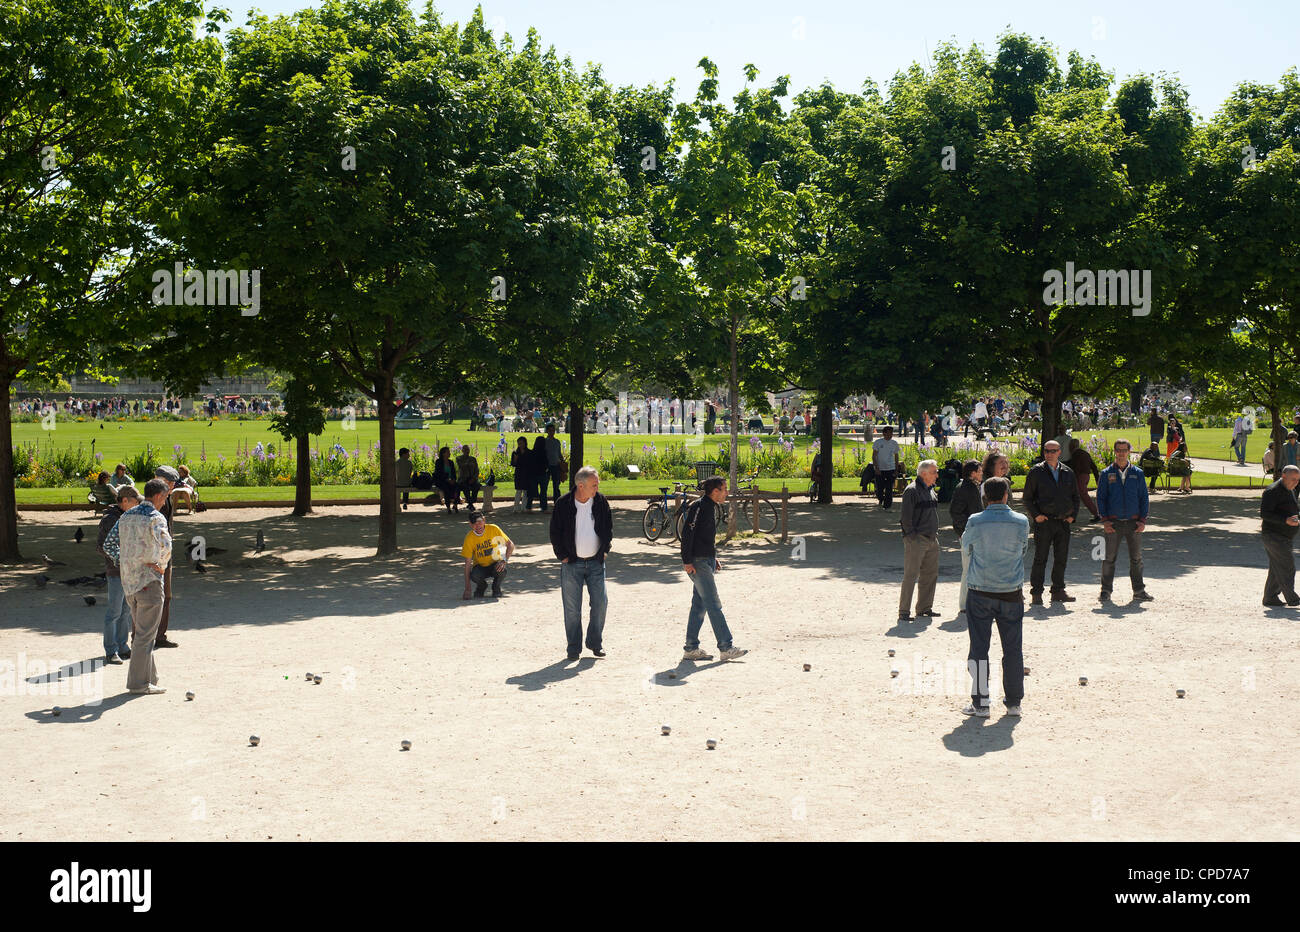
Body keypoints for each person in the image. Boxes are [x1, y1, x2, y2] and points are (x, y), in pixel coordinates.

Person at [960, 476, 1029, 718]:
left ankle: (980, 703)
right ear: (1006, 495)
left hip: (981, 590)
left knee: (979, 648)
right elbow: (1022, 550)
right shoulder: (1021, 521)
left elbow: (965, 548)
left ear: (985, 497)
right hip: (1010, 591)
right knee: (1013, 649)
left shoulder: (975, 521)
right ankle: (1013, 702)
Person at [102, 478, 172, 694]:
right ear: (159, 496)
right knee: (144, 636)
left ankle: (151, 677)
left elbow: (108, 544)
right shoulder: (155, 517)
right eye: (166, 497)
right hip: (148, 582)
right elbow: (167, 545)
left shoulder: (126, 516)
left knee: (143, 633)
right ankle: (138, 684)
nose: (166, 501)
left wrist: (125, 561)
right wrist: (161, 565)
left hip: (129, 582)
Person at [680, 476, 748, 661]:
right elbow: (687, 534)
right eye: (724, 489)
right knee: (713, 604)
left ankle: (691, 648)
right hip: (698, 562)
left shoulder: (712, 506)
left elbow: (705, 537)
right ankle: (726, 647)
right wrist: (687, 561)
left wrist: (713, 557)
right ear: (715, 491)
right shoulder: (699, 507)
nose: (727, 492)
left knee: (699, 605)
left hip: (706, 560)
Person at [550, 465, 614, 660]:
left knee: (601, 603)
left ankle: (595, 642)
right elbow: (555, 532)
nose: (597, 488)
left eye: (597, 485)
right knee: (572, 608)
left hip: (595, 562)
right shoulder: (563, 504)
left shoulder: (600, 501)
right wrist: (562, 555)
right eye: (594, 485)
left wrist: (604, 550)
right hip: (572, 564)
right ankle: (573, 647)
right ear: (580, 485)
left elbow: (608, 527)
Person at [1022, 440, 1080, 605]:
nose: (1049, 454)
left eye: (1053, 451)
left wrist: (1073, 516)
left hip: (1063, 522)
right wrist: (1036, 515)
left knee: (1061, 558)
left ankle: (1058, 591)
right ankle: (1037, 593)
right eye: (1046, 451)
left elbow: (1076, 497)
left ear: (1059, 452)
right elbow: (1027, 498)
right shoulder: (1036, 472)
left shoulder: (1068, 472)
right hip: (1044, 522)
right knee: (1040, 559)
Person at [1096, 439, 1153, 602]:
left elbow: (1144, 498)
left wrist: (1143, 520)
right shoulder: (1106, 473)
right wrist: (1105, 520)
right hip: (1113, 523)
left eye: (1124, 450)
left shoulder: (1138, 473)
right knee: (1108, 559)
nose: (1121, 453)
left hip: (1134, 523)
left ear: (1129, 451)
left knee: (1136, 559)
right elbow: (1101, 499)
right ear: (1115, 452)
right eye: (1118, 450)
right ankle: (1105, 591)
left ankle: (1139, 591)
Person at [97, 484, 141, 664]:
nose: (137, 506)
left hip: (129, 570)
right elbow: (101, 546)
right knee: (114, 611)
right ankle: (111, 649)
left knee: (125, 610)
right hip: (116, 571)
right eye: (134, 503)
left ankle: (122, 646)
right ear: (124, 501)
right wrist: (121, 559)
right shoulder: (110, 519)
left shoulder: (127, 516)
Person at [898, 460, 941, 620]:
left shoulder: (931, 490)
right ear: (923, 474)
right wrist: (911, 537)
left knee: (930, 575)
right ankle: (904, 612)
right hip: (917, 539)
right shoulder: (911, 491)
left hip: (932, 538)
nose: (937, 475)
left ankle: (924, 608)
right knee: (911, 575)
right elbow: (905, 518)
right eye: (934, 472)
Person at [1260, 465, 1300, 607]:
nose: (1296, 483)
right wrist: (1285, 520)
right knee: (1287, 567)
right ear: (1283, 477)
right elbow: (1264, 513)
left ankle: (1270, 598)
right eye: (1293, 479)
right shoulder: (1272, 491)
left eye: (1298, 480)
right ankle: (1293, 599)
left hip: (1285, 536)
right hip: (1273, 535)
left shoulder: (1290, 489)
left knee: (1277, 567)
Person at [949, 460, 984, 616]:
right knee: (968, 569)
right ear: (972, 473)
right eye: (980, 470)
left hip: (973, 533)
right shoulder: (965, 488)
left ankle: (972, 602)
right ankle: (964, 604)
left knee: (973, 569)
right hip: (970, 534)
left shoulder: (971, 487)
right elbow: (955, 512)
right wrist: (967, 530)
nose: (982, 472)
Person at [152, 465, 180, 649]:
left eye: (173, 484)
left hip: (166, 556)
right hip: (152, 557)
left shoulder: (166, 499)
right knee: (149, 598)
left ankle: (160, 636)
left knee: (166, 596)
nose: (171, 487)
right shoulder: (150, 500)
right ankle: (143, 636)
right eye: (169, 483)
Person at [461, 510, 513, 599]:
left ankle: (496, 588)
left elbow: (510, 545)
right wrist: (467, 588)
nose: (478, 526)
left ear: (484, 520)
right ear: (470, 524)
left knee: (501, 569)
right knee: (474, 575)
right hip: (480, 566)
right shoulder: (469, 538)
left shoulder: (493, 529)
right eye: (474, 523)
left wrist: (504, 560)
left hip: (495, 563)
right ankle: (481, 586)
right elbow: (468, 563)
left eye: (480, 522)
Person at [1068, 438, 1101, 521]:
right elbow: (1093, 466)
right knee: (1078, 495)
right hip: (1086, 476)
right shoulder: (1085, 453)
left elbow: (1074, 468)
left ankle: (1096, 514)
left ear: (1071, 446)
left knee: (1082, 496)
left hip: (1080, 476)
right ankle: (1073, 515)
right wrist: (1097, 478)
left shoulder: (1075, 455)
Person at [871, 426, 901, 509]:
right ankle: (881, 498)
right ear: (883, 434)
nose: (889, 435)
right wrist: (876, 468)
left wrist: (896, 469)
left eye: (891, 433)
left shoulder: (894, 443)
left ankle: (887, 505)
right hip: (880, 468)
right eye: (887, 433)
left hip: (890, 468)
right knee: (879, 488)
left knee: (889, 488)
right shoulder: (878, 442)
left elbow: (896, 457)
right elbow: (874, 456)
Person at [433, 446, 459, 512]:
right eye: (448, 452)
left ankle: (455, 505)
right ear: (443, 453)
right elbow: (438, 474)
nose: (450, 453)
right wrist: (447, 480)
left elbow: (453, 473)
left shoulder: (451, 462)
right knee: (446, 489)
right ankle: (448, 507)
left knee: (457, 487)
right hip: (441, 481)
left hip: (451, 480)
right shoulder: (439, 462)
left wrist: (453, 480)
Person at [511, 437, 533, 512]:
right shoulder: (515, 453)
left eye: (521, 443)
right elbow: (513, 464)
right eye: (519, 443)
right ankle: (516, 508)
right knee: (518, 491)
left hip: (527, 473)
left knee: (526, 491)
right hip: (519, 473)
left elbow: (531, 464)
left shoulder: (529, 452)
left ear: (525, 443)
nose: (520, 445)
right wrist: (515, 459)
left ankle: (524, 507)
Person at [543, 423, 564, 500]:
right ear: (547, 431)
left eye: (553, 430)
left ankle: (557, 501)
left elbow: (559, 453)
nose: (552, 432)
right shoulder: (544, 441)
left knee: (556, 485)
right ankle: (544, 502)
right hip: (547, 466)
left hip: (556, 465)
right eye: (550, 430)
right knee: (545, 485)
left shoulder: (557, 442)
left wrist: (562, 462)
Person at [531, 436, 551, 512]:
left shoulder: (533, 451)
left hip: (534, 473)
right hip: (542, 473)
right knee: (543, 491)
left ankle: (528, 506)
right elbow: (546, 463)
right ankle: (544, 507)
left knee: (532, 491)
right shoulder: (544, 452)